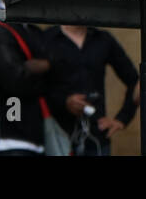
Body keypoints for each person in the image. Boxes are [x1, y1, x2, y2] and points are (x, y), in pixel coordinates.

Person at [42, 23, 139, 155]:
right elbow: (34, 85)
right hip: (58, 134)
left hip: (96, 135)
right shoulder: (47, 38)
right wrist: (65, 101)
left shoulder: (103, 39)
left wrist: (122, 119)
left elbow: (135, 81)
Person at [0, 0, 51, 156]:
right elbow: (14, 80)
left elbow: (59, 67)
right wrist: (46, 71)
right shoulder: (0, 28)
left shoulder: (31, 28)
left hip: (34, 137)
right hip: (11, 138)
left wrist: (43, 67)